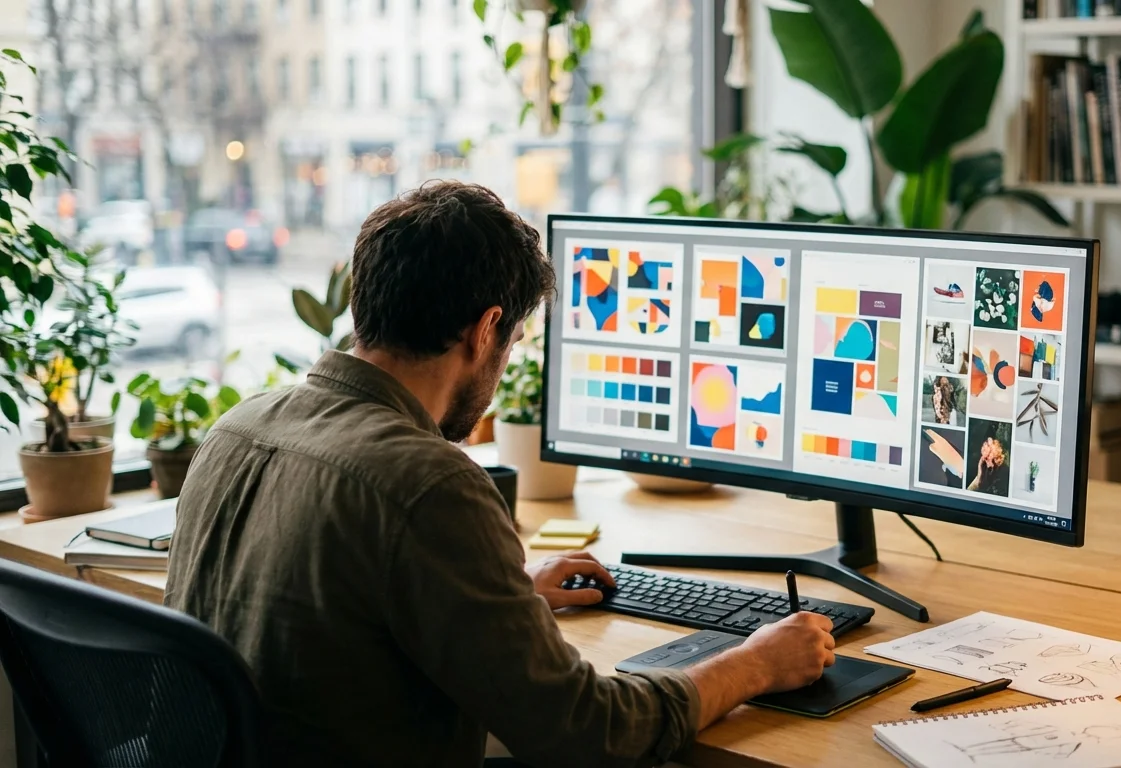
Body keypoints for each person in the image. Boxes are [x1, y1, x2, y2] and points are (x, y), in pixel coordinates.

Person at [165, 181, 836, 768]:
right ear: (486, 331)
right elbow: (588, 735)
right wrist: (755, 663)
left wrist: (502, 599)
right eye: (512, 343)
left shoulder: (236, 428)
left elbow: (337, 618)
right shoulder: (428, 483)